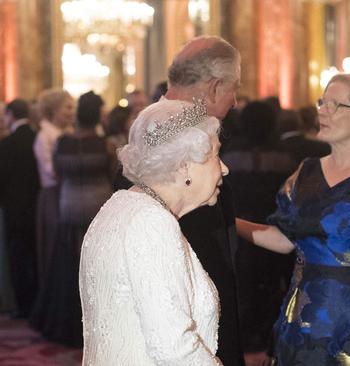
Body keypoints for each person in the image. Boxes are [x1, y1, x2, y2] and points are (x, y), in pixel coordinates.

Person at [237, 74, 350, 366]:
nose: (322, 110)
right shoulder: (306, 172)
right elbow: (284, 240)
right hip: (302, 325)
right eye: (323, 101)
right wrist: (227, 222)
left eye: (336, 105)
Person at [79, 98, 229, 365]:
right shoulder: (151, 222)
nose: (225, 169)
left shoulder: (122, 205)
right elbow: (174, 350)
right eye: (216, 155)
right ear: (185, 166)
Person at [157, 35, 246, 365]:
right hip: (189, 306)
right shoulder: (168, 133)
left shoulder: (165, 122)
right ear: (213, 88)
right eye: (232, 89)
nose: (235, 101)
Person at [31, 91, 113, 347]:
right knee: (97, 269)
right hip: (98, 208)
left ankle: (65, 325)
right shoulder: (105, 145)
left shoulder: (62, 143)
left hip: (68, 206)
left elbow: (56, 172)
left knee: (69, 269)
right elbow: (113, 175)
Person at [221, 101, 296, 360]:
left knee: (242, 285)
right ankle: (267, 339)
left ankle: (248, 339)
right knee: (271, 285)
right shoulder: (284, 156)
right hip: (272, 229)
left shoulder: (230, 154)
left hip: (239, 228)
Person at [0, 99, 40, 318]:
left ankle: (23, 307)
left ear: (10, 115)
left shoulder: (7, 144)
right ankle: (35, 303)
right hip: (37, 205)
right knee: (35, 257)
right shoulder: (36, 138)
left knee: (17, 259)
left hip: (14, 209)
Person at [32, 89, 75, 284]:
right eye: (67, 107)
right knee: (54, 244)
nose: (71, 112)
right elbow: (50, 169)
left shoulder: (69, 132)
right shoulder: (45, 135)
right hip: (53, 195)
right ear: (54, 109)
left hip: (68, 191)